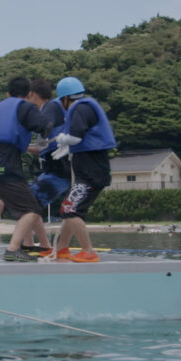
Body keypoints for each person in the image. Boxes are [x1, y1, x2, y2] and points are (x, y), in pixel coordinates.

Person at [0, 76, 53, 261]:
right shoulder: (25, 106)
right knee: (31, 210)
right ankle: (13, 249)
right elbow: (44, 126)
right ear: (30, 93)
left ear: (8, 93)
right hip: (7, 163)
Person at [51, 76, 116, 263]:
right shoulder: (86, 106)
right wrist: (65, 147)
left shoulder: (79, 108)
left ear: (65, 98)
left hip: (91, 172)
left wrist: (62, 139)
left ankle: (88, 250)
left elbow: (77, 137)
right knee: (72, 209)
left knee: (69, 209)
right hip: (91, 170)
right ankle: (62, 249)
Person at [23, 78, 72, 258]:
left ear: (33, 95)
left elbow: (47, 129)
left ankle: (29, 245)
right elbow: (43, 148)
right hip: (52, 169)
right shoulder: (50, 109)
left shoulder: (50, 107)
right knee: (30, 202)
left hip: (58, 171)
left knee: (28, 203)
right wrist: (24, 147)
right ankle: (38, 245)